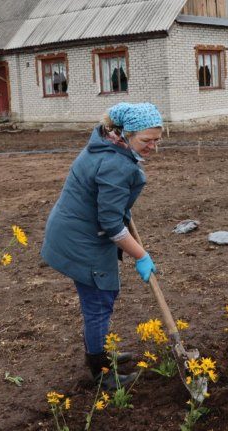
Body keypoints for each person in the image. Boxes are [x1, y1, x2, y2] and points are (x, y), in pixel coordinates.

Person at [41, 102, 162, 389]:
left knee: (98, 301)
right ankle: (99, 371)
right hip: (82, 240)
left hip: (77, 230)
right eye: (146, 140)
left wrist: (121, 209)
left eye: (158, 139)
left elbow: (105, 203)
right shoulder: (115, 164)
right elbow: (110, 225)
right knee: (99, 302)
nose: (153, 147)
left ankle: (99, 352)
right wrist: (141, 255)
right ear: (125, 134)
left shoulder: (105, 145)